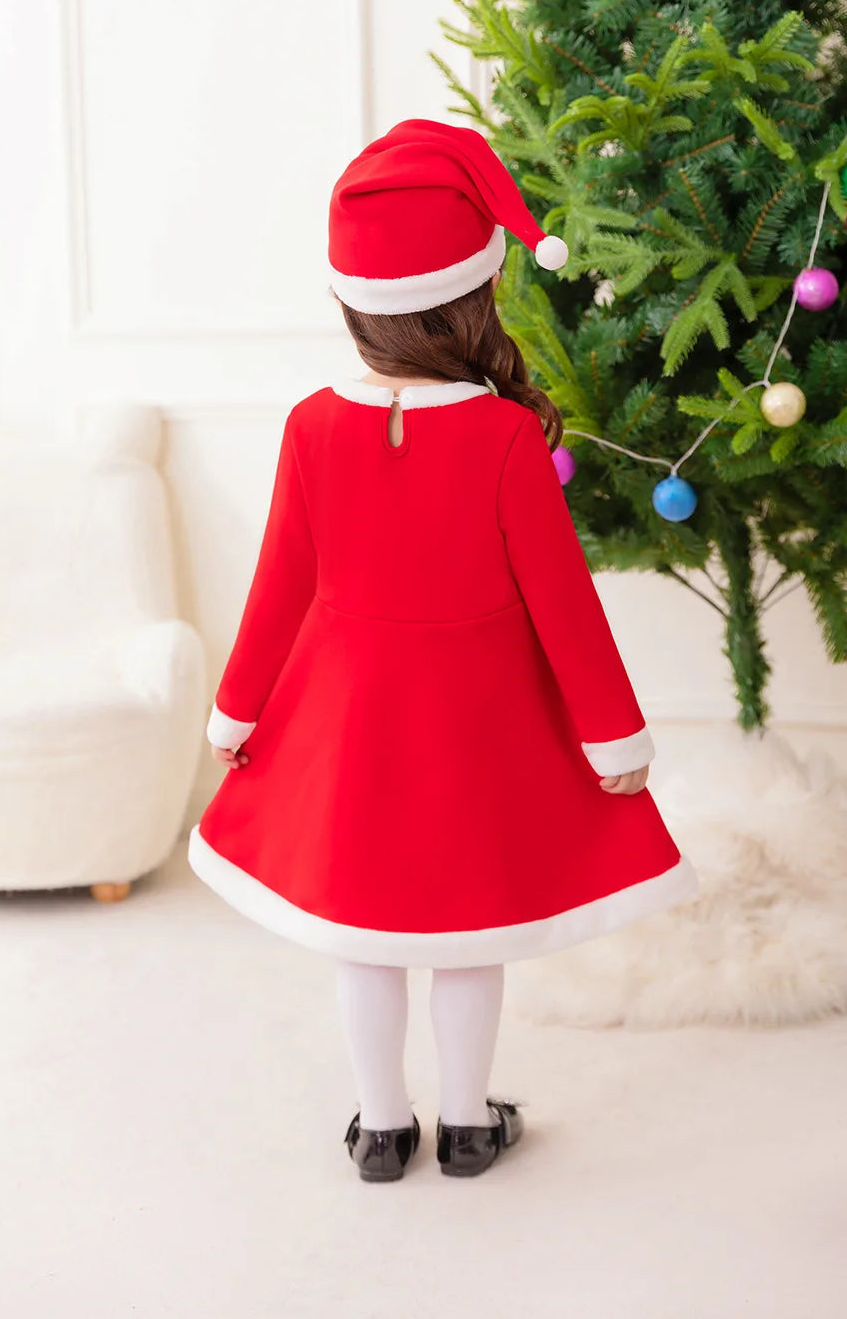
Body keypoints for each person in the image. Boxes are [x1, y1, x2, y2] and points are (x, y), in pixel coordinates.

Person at [188, 118, 699, 1182]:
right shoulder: (505, 435)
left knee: (363, 935)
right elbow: (565, 607)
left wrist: (235, 715)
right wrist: (614, 737)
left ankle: (383, 1128)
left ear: (350, 302)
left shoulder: (311, 427)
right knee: (469, 930)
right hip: (477, 728)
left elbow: (277, 586)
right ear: (474, 298)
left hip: (350, 727)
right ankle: (466, 1124)